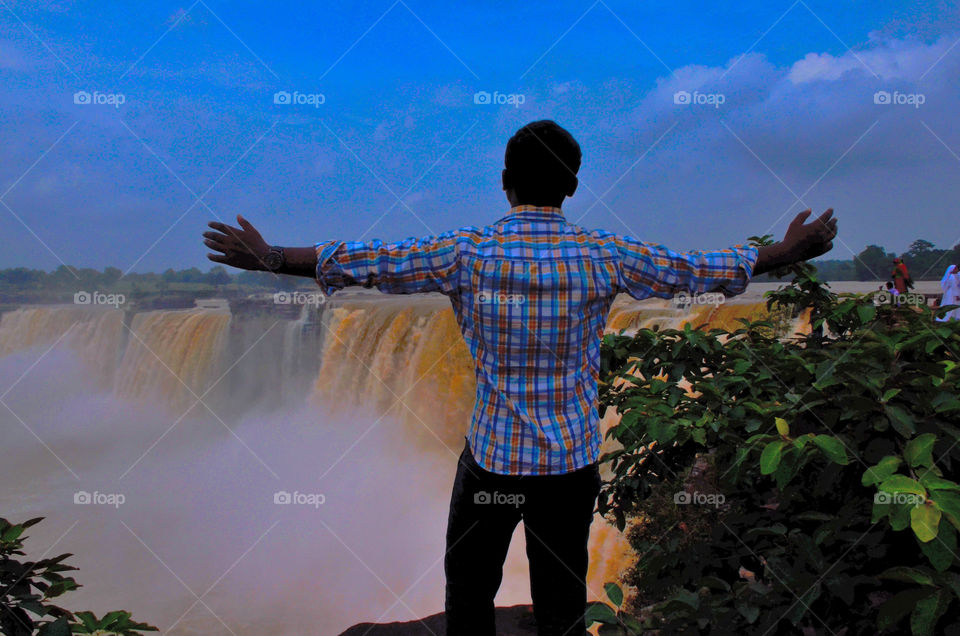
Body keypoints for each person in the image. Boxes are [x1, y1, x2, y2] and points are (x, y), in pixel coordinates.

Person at [202, 120, 838, 636]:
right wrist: (787, 252)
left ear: (505, 183)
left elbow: (368, 261)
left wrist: (267, 258)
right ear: (572, 186)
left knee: (470, 590)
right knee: (560, 596)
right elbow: (697, 270)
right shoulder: (605, 255)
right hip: (568, 466)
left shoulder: (465, 252)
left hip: (494, 465)